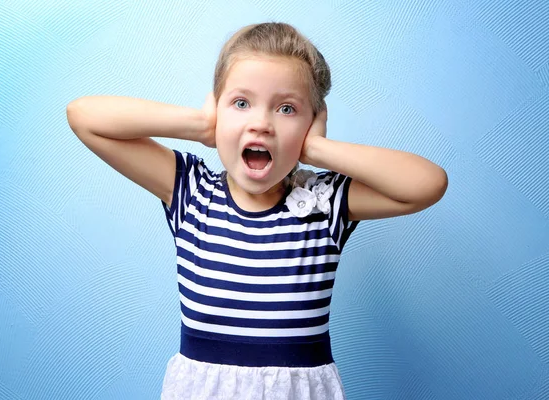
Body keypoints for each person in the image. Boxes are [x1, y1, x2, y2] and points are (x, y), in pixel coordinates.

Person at [66, 22, 447, 400]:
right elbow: (84, 116)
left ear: (312, 122)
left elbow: (426, 184)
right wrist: (201, 125)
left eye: (286, 108)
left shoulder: (323, 202)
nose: (261, 124)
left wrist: (316, 150)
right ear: (218, 109)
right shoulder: (190, 191)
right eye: (241, 103)